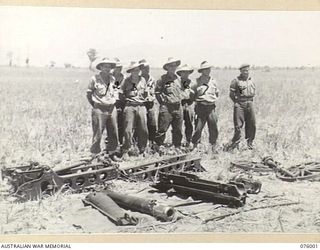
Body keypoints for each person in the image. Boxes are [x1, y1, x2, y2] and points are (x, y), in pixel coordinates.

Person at [86, 58, 120, 161]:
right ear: (100, 67)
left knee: (113, 131)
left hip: (111, 108)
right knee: (98, 132)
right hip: (99, 108)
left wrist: (113, 104)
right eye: (105, 66)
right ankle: (95, 154)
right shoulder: (94, 79)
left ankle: (112, 152)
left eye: (109, 67)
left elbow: (116, 91)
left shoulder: (114, 79)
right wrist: (96, 105)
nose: (107, 69)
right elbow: (89, 93)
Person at [119, 61, 149, 158]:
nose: (136, 72)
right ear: (131, 71)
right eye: (134, 70)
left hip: (141, 106)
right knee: (128, 129)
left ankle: (142, 150)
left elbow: (145, 93)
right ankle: (125, 150)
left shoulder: (143, 80)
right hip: (130, 106)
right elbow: (120, 93)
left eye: (138, 70)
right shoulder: (126, 81)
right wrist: (127, 102)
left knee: (143, 129)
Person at [154, 57, 183, 148]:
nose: (173, 67)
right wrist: (163, 103)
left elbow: (184, 90)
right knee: (162, 128)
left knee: (178, 129)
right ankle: (158, 147)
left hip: (178, 107)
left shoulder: (179, 79)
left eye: (174, 66)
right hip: (166, 107)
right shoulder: (162, 79)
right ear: (167, 67)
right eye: (171, 66)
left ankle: (177, 146)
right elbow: (157, 92)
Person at [227, 63, 256, 150]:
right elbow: (231, 94)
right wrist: (237, 102)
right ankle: (235, 144)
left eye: (247, 70)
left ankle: (250, 143)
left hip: (250, 103)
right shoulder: (236, 81)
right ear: (241, 71)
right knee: (238, 126)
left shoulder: (251, 80)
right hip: (240, 104)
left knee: (252, 124)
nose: (246, 72)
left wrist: (249, 102)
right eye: (244, 71)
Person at [191, 61, 219, 151]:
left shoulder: (213, 81)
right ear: (202, 71)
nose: (207, 71)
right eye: (205, 69)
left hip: (211, 107)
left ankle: (213, 146)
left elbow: (217, 93)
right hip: (201, 107)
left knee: (213, 127)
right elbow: (192, 95)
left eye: (209, 69)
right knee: (198, 128)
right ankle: (195, 145)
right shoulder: (196, 82)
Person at [176, 64, 195, 147]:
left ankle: (188, 141)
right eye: (183, 72)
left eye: (187, 72)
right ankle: (177, 143)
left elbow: (195, 95)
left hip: (189, 104)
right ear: (180, 73)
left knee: (189, 124)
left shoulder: (192, 83)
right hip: (179, 104)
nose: (185, 74)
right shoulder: (176, 82)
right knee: (178, 124)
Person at [139, 59, 157, 145]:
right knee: (141, 124)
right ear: (140, 69)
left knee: (152, 123)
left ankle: (151, 142)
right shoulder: (137, 79)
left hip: (150, 104)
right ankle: (140, 143)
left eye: (148, 67)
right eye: (144, 68)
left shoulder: (152, 79)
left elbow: (155, 92)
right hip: (141, 104)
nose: (147, 69)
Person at [112, 58, 125, 145]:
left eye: (120, 67)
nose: (119, 69)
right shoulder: (109, 77)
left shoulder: (125, 78)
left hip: (122, 102)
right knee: (112, 125)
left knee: (121, 124)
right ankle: (110, 144)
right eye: (117, 67)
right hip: (112, 103)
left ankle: (120, 143)